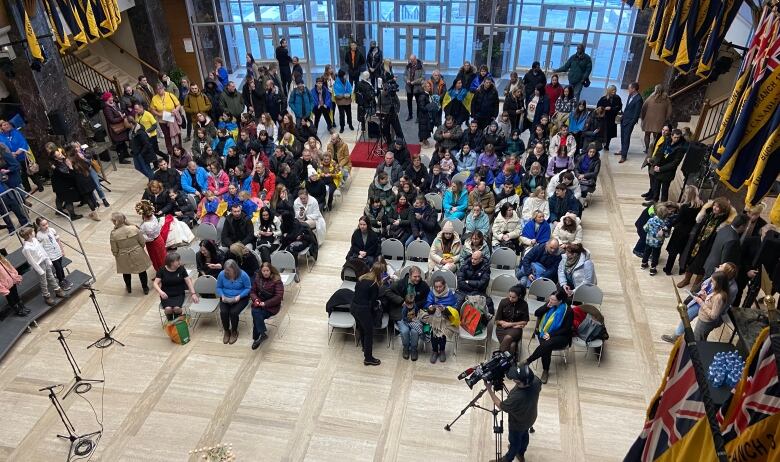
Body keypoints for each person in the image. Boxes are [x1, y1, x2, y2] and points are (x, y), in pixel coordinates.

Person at [661, 263, 737, 343]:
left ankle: (697, 349)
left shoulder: (732, 289)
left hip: (709, 311)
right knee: (686, 317)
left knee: (700, 334)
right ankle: (675, 336)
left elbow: (723, 306)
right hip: (701, 300)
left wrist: (707, 304)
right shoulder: (716, 274)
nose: (720, 265)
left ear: (725, 273)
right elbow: (706, 283)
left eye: (722, 266)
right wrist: (704, 292)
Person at [485, 362, 542, 462]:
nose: (513, 379)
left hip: (517, 424)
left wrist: (489, 389)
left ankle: (508, 459)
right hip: (530, 417)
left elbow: (501, 406)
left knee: (514, 443)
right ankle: (521, 454)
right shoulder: (536, 381)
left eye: (516, 379)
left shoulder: (517, 398)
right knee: (524, 435)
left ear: (521, 383)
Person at [678, 197, 735, 288]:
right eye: (714, 205)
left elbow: (732, 214)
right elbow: (699, 221)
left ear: (723, 209)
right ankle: (686, 280)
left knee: (701, 266)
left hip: (709, 246)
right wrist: (704, 209)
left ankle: (696, 285)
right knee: (690, 261)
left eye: (717, 207)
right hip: (697, 242)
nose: (714, 208)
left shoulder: (723, 221)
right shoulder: (709, 214)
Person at [523, 288, 573, 384]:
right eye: (550, 299)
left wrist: (551, 334)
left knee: (547, 344)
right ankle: (545, 370)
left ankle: (529, 361)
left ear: (560, 301)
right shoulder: (550, 304)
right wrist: (547, 307)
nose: (550, 301)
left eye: (553, 300)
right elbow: (537, 313)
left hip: (561, 335)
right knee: (547, 346)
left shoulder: (568, 311)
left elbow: (566, 329)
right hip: (544, 332)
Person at [645, 128, 688, 204]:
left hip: (668, 172)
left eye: (678, 137)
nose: (676, 139)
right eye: (675, 137)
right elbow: (660, 153)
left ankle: (663, 205)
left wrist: (660, 169)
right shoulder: (667, 141)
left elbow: (675, 163)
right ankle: (654, 201)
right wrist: (654, 162)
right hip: (659, 167)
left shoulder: (680, 148)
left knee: (664, 190)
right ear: (671, 136)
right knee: (656, 186)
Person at [351, 265, 382, 366]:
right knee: (369, 332)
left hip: (354, 307)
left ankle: (364, 347)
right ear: (379, 273)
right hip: (363, 310)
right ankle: (368, 358)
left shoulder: (362, 278)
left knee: (361, 328)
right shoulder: (374, 284)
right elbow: (372, 302)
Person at [154, 252, 198, 321]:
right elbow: (155, 283)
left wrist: (193, 293)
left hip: (179, 294)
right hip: (166, 294)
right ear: (171, 263)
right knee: (168, 309)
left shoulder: (181, 269)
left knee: (177, 308)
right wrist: (160, 292)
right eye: (178, 260)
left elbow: (188, 281)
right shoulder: (162, 270)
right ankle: (171, 322)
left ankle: (178, 321)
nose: (180, 262)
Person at [216, 259, 252, 345]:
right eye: (225, 269)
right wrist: (222, 295)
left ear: (234, 269)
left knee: (233, 312)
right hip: (225, 297)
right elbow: (219, 287)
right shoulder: (222, 274)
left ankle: (234, 331)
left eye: (228, 270)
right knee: (224, 312)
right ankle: (226, 331)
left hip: (241, 297)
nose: (226, 271)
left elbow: (248, 288)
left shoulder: (243, 275)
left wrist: (239, 296)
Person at [702, 214, 748, 280]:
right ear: (741, 226)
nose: (746, 228)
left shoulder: (725, 228)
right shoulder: (733, 240)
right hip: (717, 270)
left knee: (703, 285)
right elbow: (726, 260)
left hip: (710, 264)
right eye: (746, 226)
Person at [249, 262, 284, 349]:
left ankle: (257, 337)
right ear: (261, 271)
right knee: (256, 313)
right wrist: (256, 299)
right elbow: (252, 291)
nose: (265, 272)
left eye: (267, 270)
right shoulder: (258, 278)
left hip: (271, 306)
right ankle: (260, 335)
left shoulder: (277, 280)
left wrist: (265, 303)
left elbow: (278, 297)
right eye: (263, 271)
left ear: (270, 270)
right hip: (259, 303)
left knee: (255, 314)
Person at [34, 218, 71, 290]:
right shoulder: (39, 235)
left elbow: (58, 240)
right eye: (43, 225)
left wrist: (62, 250)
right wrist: (46, 257)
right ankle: (61, 281)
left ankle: (63, 279)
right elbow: (40, 248)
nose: (46, 226)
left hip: (57, 251)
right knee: (58, 268)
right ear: (39, 226)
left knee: (61, 266)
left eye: (47, 224)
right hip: (50, 254)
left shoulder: (52, 230)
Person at [693, 271, 730, 341]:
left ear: (719, 283)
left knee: (698, 340)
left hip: (705, 322)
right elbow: (712, 303)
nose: (711, 283)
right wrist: (705, 297)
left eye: (713, 282)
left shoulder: (719, 297)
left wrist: (701, 302)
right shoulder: (717, 291)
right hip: (703, 319)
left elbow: (713, 315)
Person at [495, 285, 530, 356]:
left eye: (513, 297)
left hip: (515, 329)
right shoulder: (503, 302)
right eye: (509, 296)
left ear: (519, 296)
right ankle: (510, 362)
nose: (510, 299)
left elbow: (525, 321)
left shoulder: (524, 304)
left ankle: (498, 358)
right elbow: (497, 320)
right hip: (502, 328)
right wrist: (503, 322)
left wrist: (510, 324)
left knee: (508, 338)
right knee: (512, 345)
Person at [149, 83, 183, 155]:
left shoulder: (170, 95)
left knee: (177, 134)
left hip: (173, 118)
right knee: (167, 136)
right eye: (157, 89)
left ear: (163, 88)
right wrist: (158, 114)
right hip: (162, 120)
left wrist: (176, 110)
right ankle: (170, 150)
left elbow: (178, 104)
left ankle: (179, 148)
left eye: (160, 89)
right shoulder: (154, 98)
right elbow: (152, 109)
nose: (159, 91)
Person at [641, 84, 673, 154]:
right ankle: (654, 149)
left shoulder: (650, 97)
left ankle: (647, 149)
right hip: (660, 121)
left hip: (649, 119)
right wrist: (665, 118)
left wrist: (643, 118)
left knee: (647, 134)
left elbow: (643, 107)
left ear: (655, 90)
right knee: (657, 136)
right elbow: (670, 111)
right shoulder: (666, 99)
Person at [641, 203, 671, 276]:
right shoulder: (666, 224)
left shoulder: (651, 220)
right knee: (655, 255)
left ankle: (644, 264)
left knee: (646, 251)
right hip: (658, 243)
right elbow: (667, 235)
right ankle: (652, 269)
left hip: (649, 240)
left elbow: (645, 228)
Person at [102, 92, 132, 164]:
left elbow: (118, 112)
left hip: (120, 127)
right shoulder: (107, 108)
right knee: (119, 144)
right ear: (107, 99)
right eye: (111, 97)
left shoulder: (113, 105)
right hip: (115, 129)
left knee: (123, 142)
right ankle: (121, 159)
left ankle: (126, 154)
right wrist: (121, 117)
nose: (112, 98)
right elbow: (111, 120)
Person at [618, 82, 643, 163]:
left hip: (629, 122)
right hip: (624, 120)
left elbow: (636, 113)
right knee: (622, 136)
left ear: (634, 89)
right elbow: (627, 108)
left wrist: (632, 123)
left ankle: (624, 156)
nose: (628, 89)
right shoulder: (630, 95)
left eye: (629, 88)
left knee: (626, 138)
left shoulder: (639, 99)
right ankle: (622, 150)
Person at [596, 85, 622, 152]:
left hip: (612, 118)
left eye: (615, 90)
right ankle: (600, 143)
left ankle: (607, 145)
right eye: (613, 90)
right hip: (604, 118)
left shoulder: (617, 98)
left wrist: (612, 108)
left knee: (609, 133)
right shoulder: (603, 98)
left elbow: (619, 107)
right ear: (609, 91)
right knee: (602, 131)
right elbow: (598, 107)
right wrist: (604, 108)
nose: (614, 92)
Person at [404, 54, 425, 120]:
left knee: (418, 103)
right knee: (409, 102)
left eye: (412, 60)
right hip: (409, 87)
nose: (411, 62)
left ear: (415, 59)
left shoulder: (421, 66)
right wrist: (406, 80)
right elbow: (404, 75)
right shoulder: (408, 66)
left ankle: (418, 117)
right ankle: (410, 115)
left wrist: (414, 82)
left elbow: (423, 77)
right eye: (410, 60)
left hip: (417, 88)